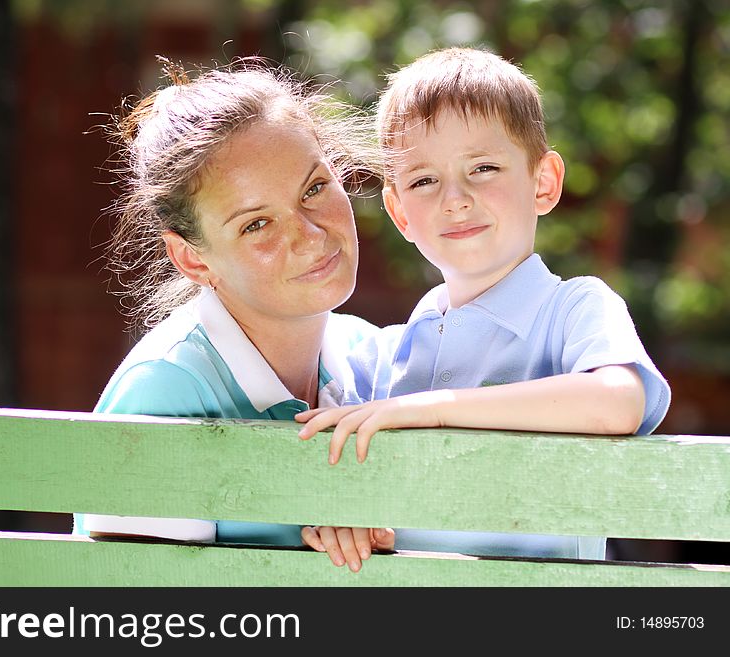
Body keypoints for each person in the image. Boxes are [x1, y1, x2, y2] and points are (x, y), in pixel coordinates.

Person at [297, 47, 671, 561]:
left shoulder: (575, 308)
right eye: (424, 180)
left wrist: (435, 411)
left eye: (485, 167)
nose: (455, 198)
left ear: (543, 182)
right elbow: (333, 483)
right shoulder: (381, 359)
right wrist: (341, 523)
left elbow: (619, 402)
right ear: (399, 212)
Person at [73, 59, 393, 572]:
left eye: (313, 189)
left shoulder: (371, 355)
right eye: (257, 224)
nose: (310, 235)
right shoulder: (164, 394)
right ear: (193, 259)